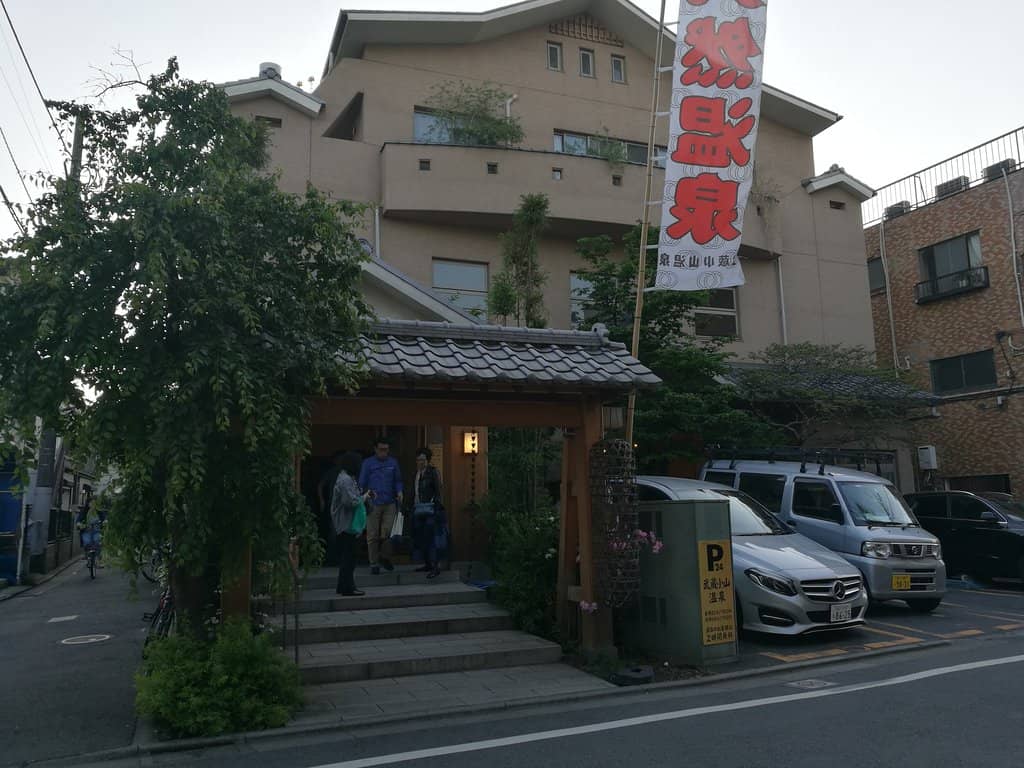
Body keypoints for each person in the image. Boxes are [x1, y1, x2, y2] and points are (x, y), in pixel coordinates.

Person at [359, 436, 404, 575]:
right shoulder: (368, 463)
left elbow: (398, 480)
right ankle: (374, 563)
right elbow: (362, 482)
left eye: (386, 450)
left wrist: (400, 491)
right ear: (375, 449)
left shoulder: (393, 463)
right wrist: (363, 497)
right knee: (372, 535)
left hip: (390, 502)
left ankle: (384, 557)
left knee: (388, 533)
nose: (384, 452)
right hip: (373, 503)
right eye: (381, 450)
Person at [331, 451, 372, 596]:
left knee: (347, 557)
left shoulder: (344, 478)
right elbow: (350, 501)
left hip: (345, 523)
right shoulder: (346, 480)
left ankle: (343, 586)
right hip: (347, 524)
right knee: (350, 557)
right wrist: (364, 497)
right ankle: (348, 587)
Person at [409, 447, 443, 579]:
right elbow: (415, 492)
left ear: (428, 460)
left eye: (422, 459)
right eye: (418, 460)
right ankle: (427, 563)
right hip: (418, 509)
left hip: (430, 509)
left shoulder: (433, 472)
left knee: (431, 537)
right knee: (420, 536)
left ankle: (435, 566)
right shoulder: (417, 474)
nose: (420, 462)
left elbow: (438, 491)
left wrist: (437, 507)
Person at [318, 451, 346, 565]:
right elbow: (320, 485)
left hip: (346, 506)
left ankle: (342, 557)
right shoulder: (332, 472)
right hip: (334, 506)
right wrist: (322, 500)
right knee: (333, 532)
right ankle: (332, 557)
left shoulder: (348, 473)